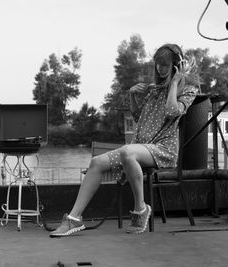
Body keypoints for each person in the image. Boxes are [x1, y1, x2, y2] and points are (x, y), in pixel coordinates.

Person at [50, 43, 200, 237]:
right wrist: (132, 95)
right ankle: (74, 219)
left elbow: (172, 111)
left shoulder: (188, 89)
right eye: (157, 65)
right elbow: (138, 116)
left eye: (164, 65)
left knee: (127, 152)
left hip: (163, 149)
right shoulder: (154, 90)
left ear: (176, 65)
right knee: (96, 163)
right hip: (139, 147)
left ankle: (140, 210)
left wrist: (174, 83)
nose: (159, 69)